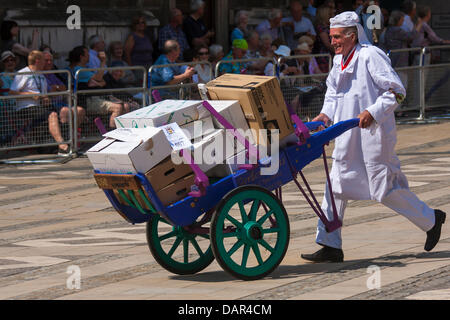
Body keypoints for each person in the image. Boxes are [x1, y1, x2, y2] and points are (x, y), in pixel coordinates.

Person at [301, 11, 446, 263]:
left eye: (336, 37)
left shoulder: (371, 56)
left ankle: (431, 219)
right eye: (331, 36)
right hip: (346, 135)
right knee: (335, 186)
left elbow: (396, 91)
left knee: (384, 189)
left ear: (352, 35)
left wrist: (373, 111)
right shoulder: (338, 61)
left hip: (373, 136)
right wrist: (324, 115)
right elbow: (333, 92)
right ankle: (329, 244)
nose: (332, 41)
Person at [67, 46, 125, 129]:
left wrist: (97, 81)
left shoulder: (85, 69)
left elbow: (102, 82)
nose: (89, 56)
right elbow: (99, 78)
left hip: (97, 98)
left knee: (124, 106)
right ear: (81, 57)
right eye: (87, 54)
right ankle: (112, 134)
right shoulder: (78, 70)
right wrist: (103, 62)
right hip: (88, 100)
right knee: (117, 108)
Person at [43, 51, 86, 154]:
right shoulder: (40, 75)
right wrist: (57, 90)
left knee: (80, 110)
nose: (49, 63)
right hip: (49, 106)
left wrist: (56, 88)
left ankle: (72, 138)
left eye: (51, 60)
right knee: (66, 111)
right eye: (46, 60)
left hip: (60, 102)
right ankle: (65, 143)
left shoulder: (53, 74)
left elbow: (63, 87)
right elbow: (49, 92)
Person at [313, 5, 334, 73]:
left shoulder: (329, 26)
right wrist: (337, 51)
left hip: (331, 55)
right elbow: (327, 44)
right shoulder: (321, 28)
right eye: (329, 14)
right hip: (325, 56)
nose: (331, 15)